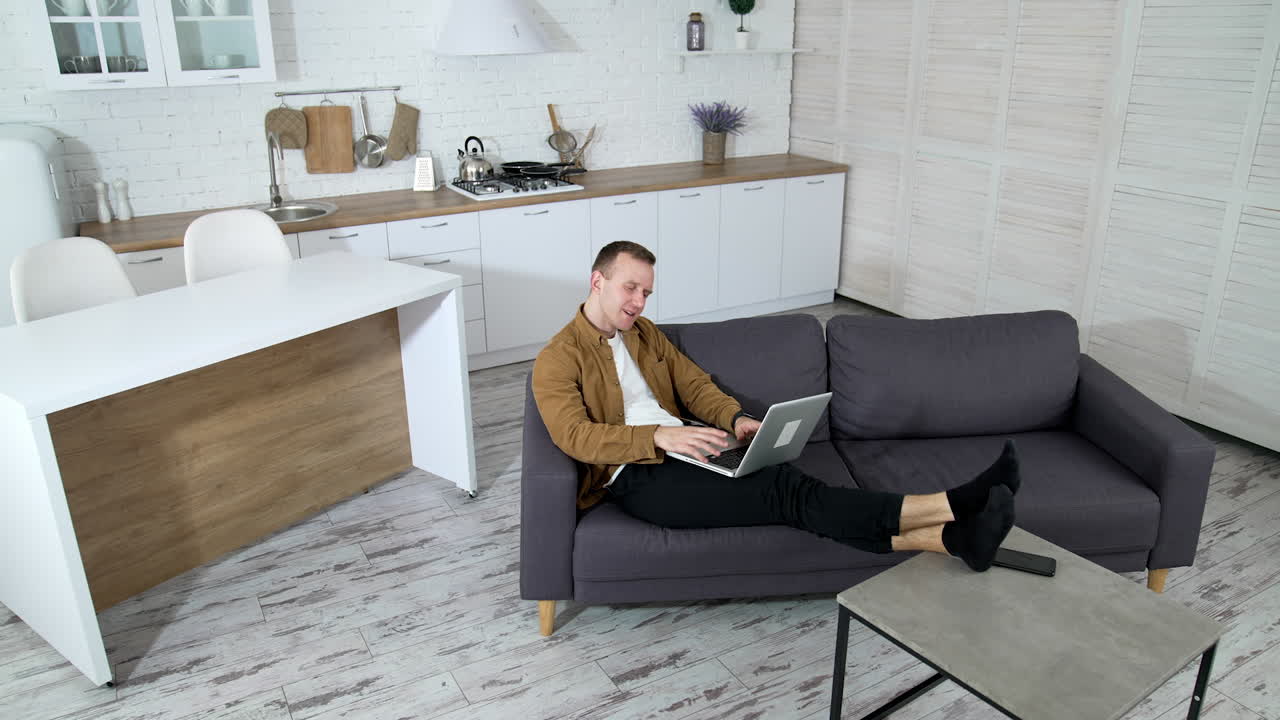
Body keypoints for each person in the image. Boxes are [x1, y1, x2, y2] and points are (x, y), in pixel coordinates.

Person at [531, 241, 1018, 571]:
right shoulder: (557, 358)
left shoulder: (645, 334)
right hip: (636, 475)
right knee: (790, 493)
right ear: (597, 281)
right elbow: (573, 436)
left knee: (793, 491)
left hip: (689, 447)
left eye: (646, 292)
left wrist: (736, 418)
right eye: (629, 288)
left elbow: (695, 384)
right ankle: (953, 505)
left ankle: (954, 541)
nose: (639, 302)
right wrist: (657, 436)